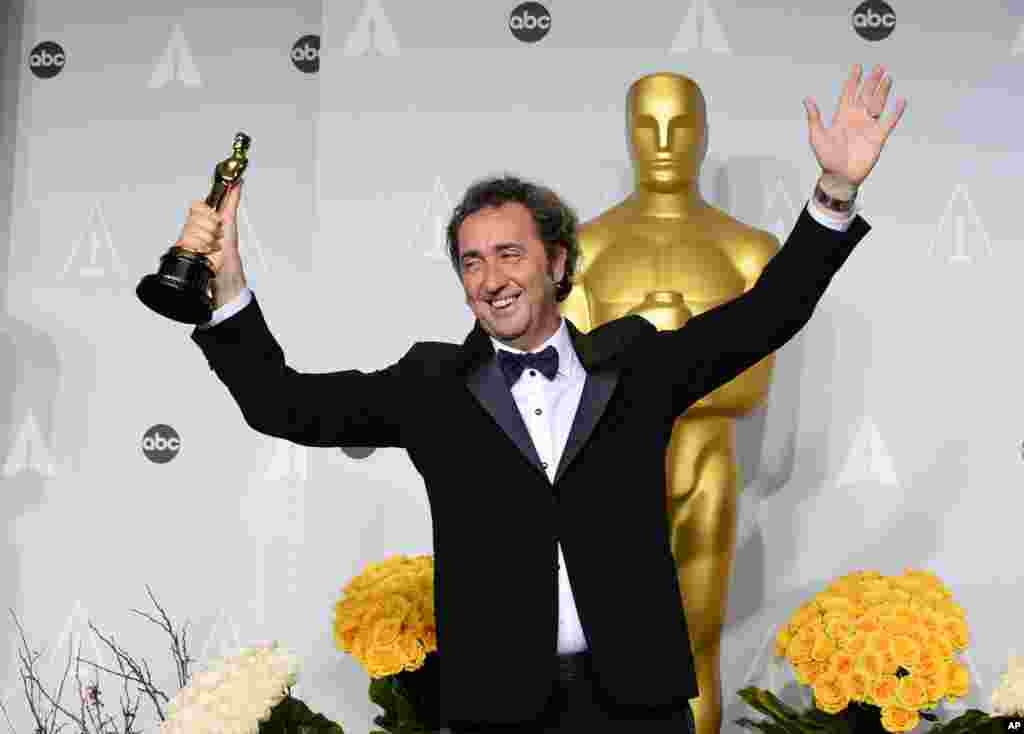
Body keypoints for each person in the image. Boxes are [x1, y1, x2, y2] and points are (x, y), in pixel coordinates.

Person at [179, 65, 905, 733]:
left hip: (639, 705)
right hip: (498, 710)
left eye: (509, 253)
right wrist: (224, 290)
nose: (490, 278)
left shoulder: (636, 363)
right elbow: (284, 405)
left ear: (557, 262)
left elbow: (766, 313)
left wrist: (834, 192)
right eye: (471, 261)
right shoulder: (429, 386)